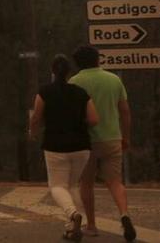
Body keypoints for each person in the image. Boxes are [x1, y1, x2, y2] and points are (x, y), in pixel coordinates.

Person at [69, 45, 136, 241]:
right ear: (98, 59)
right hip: (112, 137)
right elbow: (125, 111)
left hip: (87, 141)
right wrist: (126, 136)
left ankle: (91, 225)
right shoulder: (114, 80)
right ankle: (124, 214)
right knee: (115, 181)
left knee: (86, 183)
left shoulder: (75, 82)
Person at [29, 54, 99, 241]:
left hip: (55, 144)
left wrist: (33, 131)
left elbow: (36, 117)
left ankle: (72, 214)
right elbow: (93, 119)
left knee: (57, 186)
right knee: (72, 185)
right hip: (81, 145)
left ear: (52, 71)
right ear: (69, 72)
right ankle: (72, 228)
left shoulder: (45, 92)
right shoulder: (80, 93)